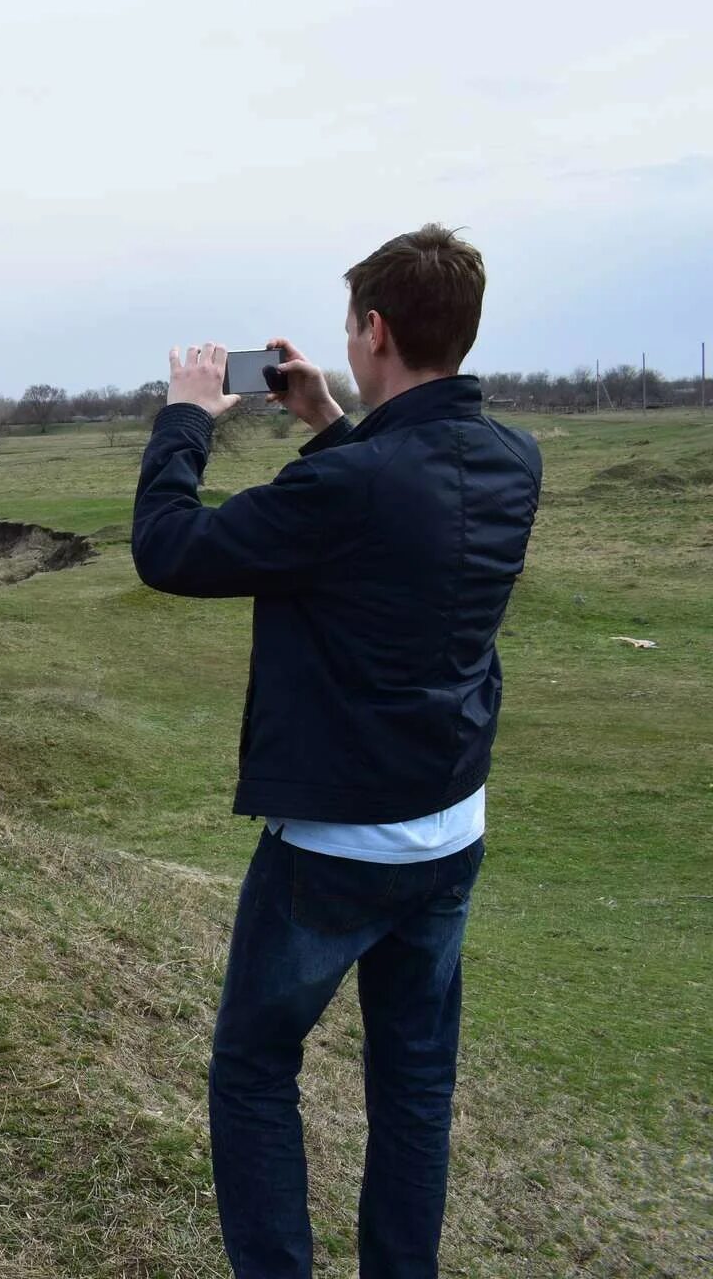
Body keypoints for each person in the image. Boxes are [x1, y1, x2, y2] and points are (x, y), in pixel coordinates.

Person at [130, 225, 542, 1278]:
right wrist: (328, 420)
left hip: (334, 848)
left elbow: (170, 549)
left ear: (376, 329)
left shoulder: (352, 486)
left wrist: (185, 418)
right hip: (451, 827)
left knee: (256, 1067)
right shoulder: (509, 457)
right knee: (414, 1084)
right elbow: (396, 494)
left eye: (352, 321)